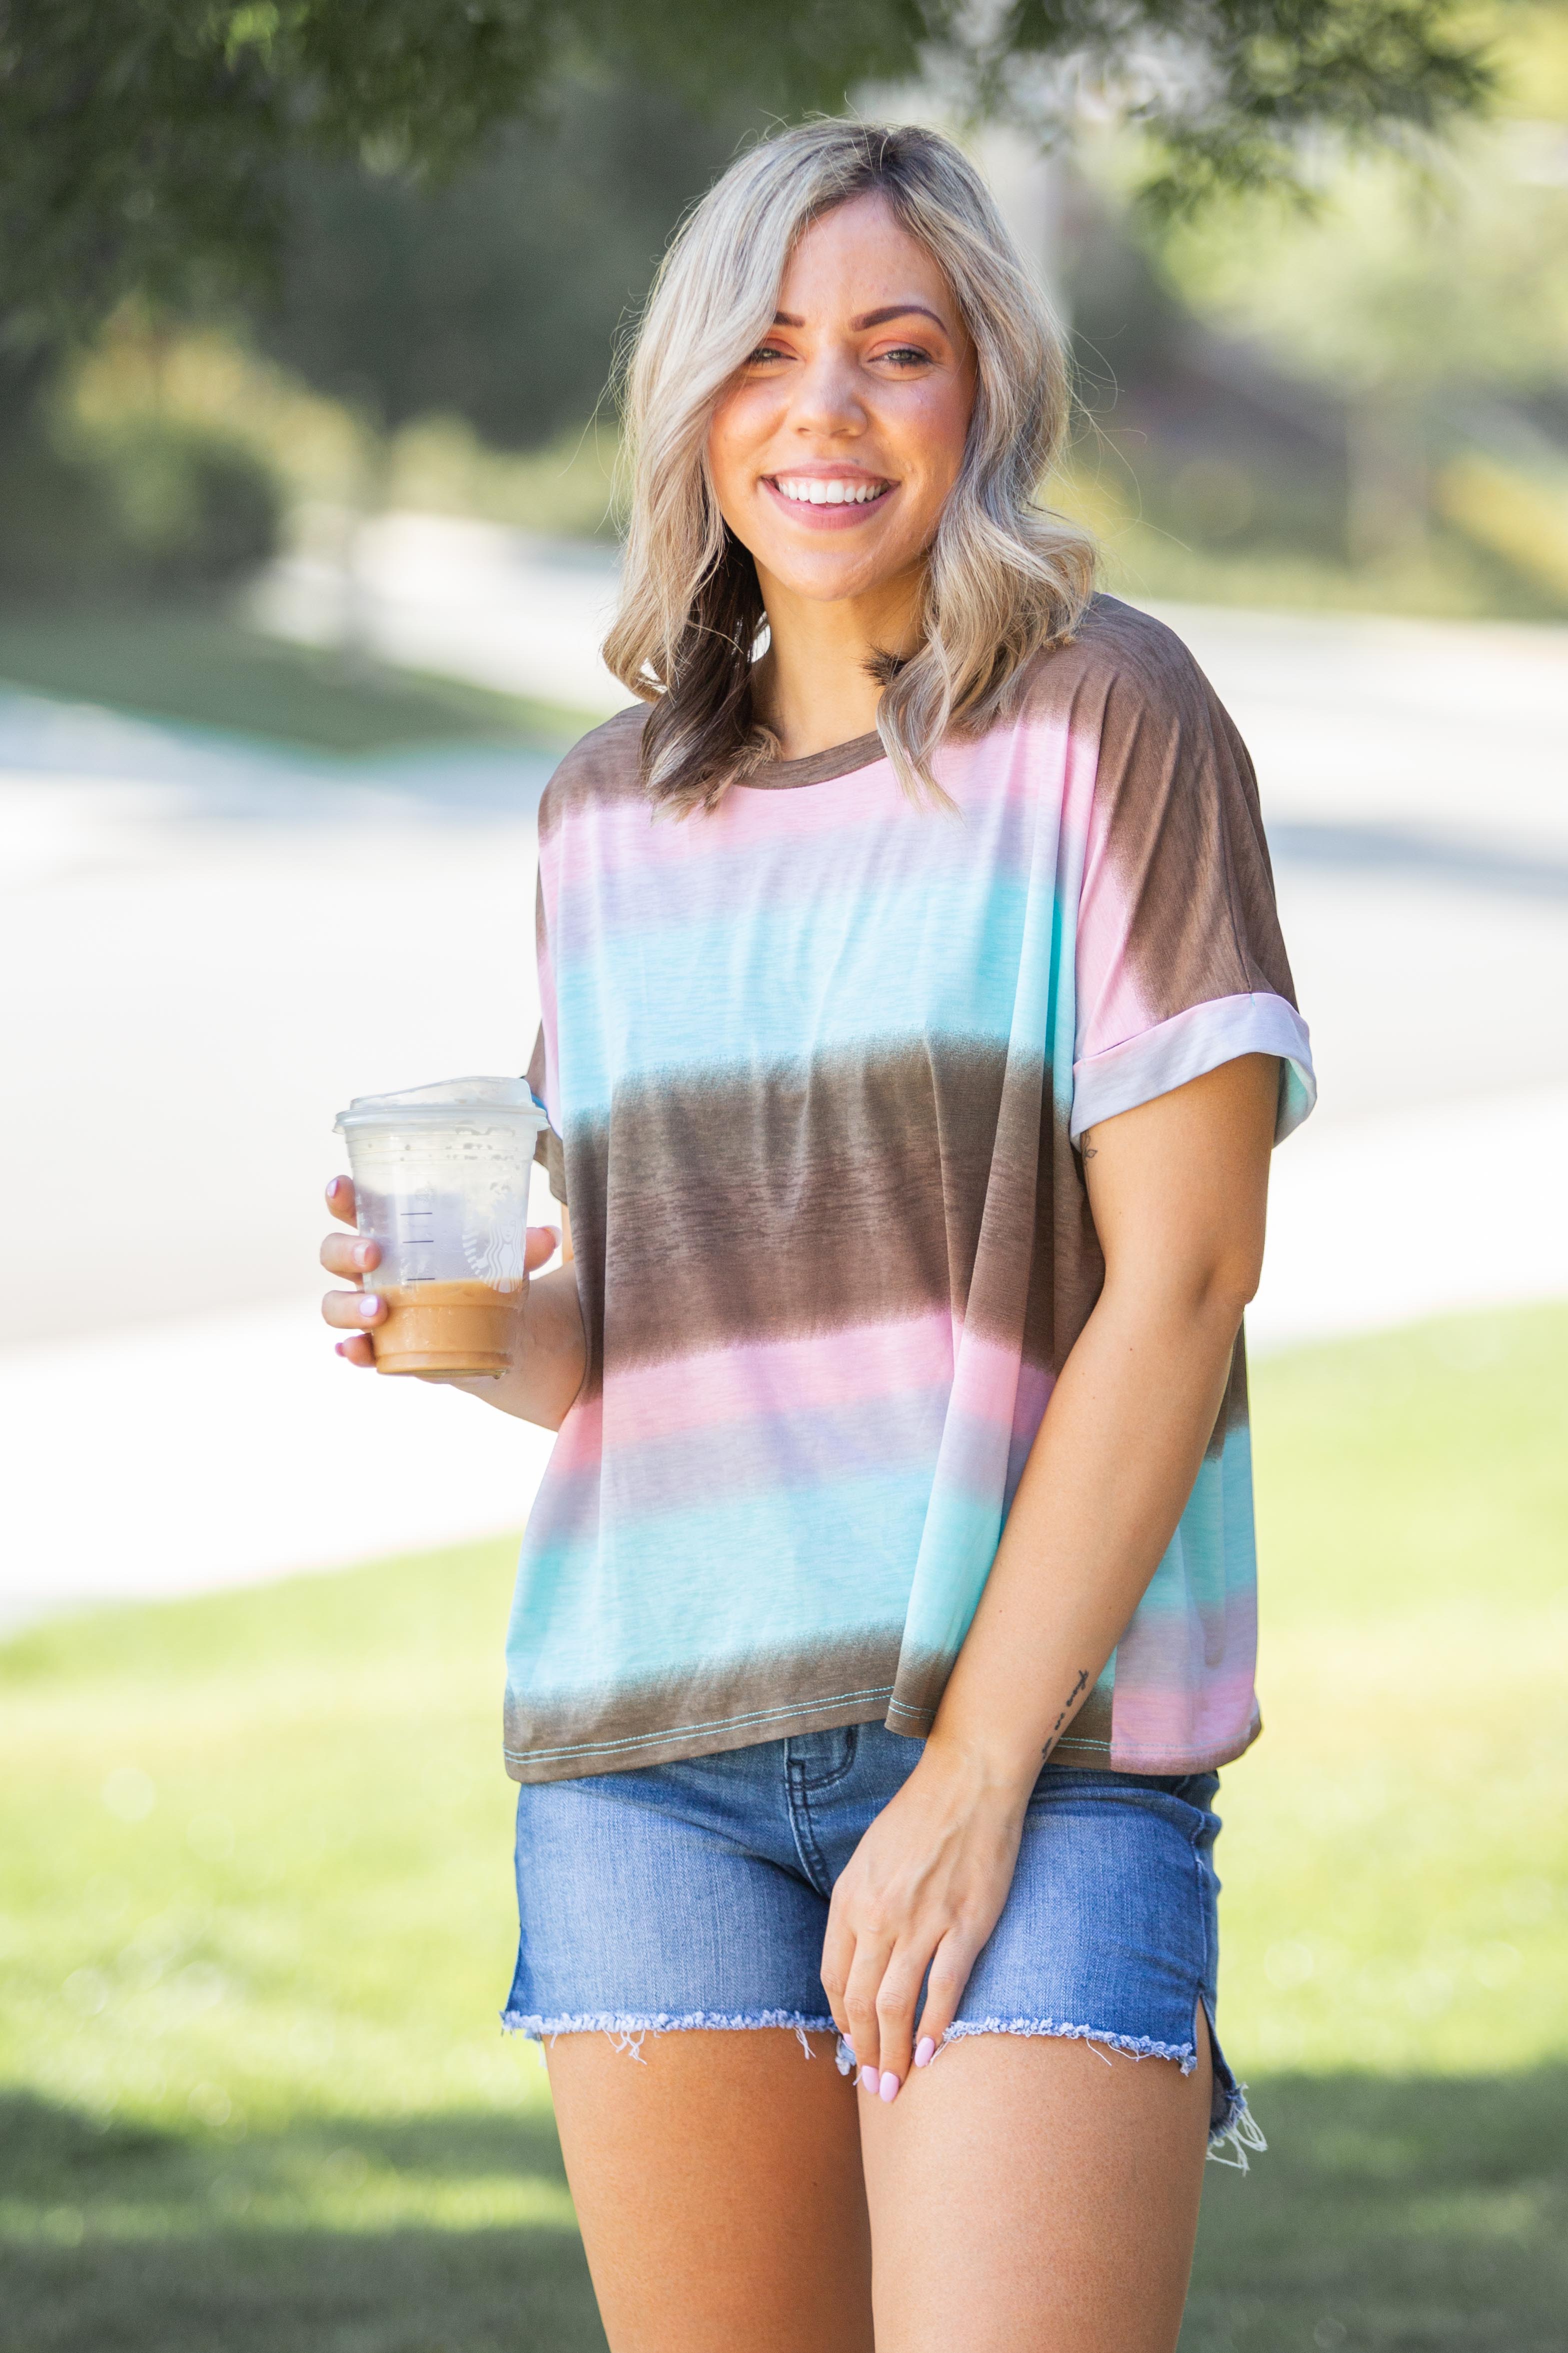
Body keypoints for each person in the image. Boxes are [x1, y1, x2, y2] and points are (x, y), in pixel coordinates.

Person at [320, 118, 1313, 2353]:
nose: (827, 410)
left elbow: (1178, 1280)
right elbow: (649, 1330)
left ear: (985, 395)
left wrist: (967, 1769)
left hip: (1039, 1756)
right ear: (692, 403)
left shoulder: (1103, 723)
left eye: (896, 348)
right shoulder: (606, 812)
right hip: (648, 1757)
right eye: (766, 353)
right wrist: (471, 1332)